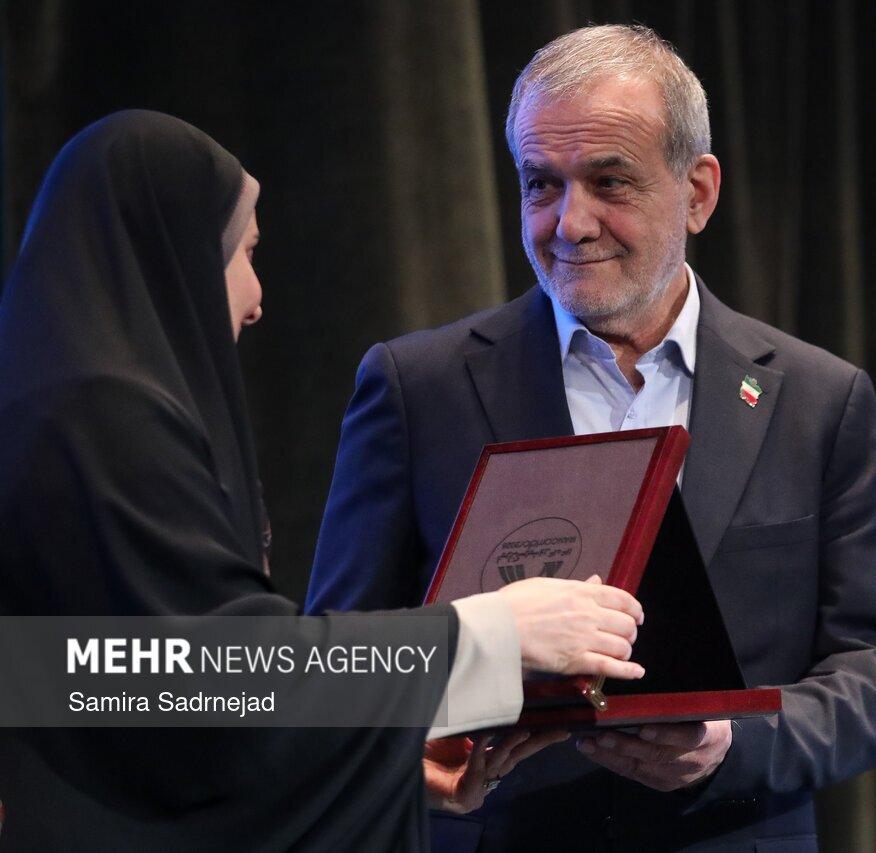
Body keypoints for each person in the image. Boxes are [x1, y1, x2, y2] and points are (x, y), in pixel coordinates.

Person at [306, 23, 876, 851]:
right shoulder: (419, 388)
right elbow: (334, 669)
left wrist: (732, 745)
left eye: (609, 181)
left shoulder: (819, 399)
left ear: (698, 192)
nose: (571, 223)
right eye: (541, 184)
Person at [0, 110, 645, 850]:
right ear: (173, 255)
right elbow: (205, 678)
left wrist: (385, 756)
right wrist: (494, 634)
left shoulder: (65, 404)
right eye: (245, 254)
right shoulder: (96, 415)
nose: (256, 299)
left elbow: (127, 699)